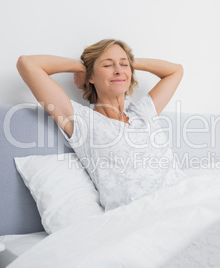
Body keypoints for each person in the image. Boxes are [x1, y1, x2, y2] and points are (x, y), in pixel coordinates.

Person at [17, 39, 186, 210]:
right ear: (91, 77)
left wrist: (130, 63)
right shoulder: (82, 121)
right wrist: (80, 67)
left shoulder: (143, 112)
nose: (119, 71)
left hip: (183, 198)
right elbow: (27, 64)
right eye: (107, 66)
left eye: (123, 65)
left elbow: (176, 71)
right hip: (141, 213)